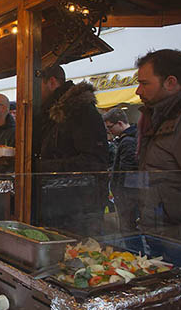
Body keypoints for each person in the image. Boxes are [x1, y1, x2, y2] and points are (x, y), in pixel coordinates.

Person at [135, 49, 181, 245]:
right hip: (166, 240)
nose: (138, 91)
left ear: (170, 82)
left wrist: (178, 241)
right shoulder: (163, 117)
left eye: (144, 83)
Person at [35, 65, 108, 235]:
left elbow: (94, 162)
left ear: (52, 82)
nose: (30, 93)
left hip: (76, 211)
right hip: (55, 204)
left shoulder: (80, 111)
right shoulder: (48, 113)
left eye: (35, 86)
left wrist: (39, 167)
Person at [103, 108, 139, 232]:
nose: (110, 131)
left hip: (127, 198)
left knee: (128, 230)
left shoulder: (127, 142)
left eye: (110, 127)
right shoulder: (128, 139)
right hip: (128, 197)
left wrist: (120, 194)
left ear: (120, 123)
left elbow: (127, 172)